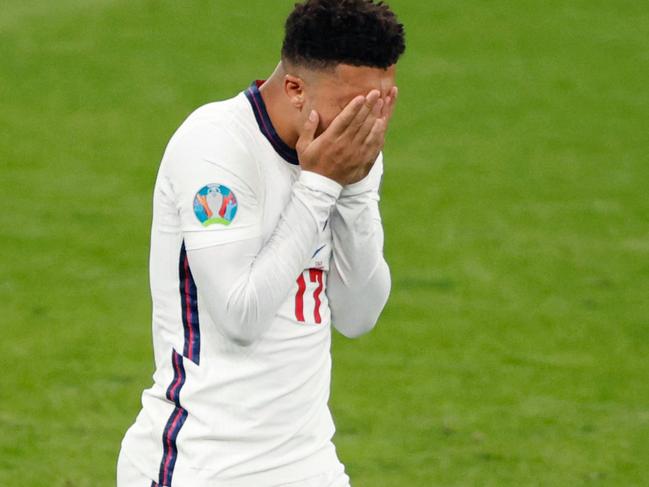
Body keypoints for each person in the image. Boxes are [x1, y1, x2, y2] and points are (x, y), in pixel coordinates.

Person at [117, 0, 406, 485]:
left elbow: (358, 317)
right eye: (353, 106)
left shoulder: (347, 157)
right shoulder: (215, 147)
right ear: (295, 88)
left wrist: (352, 191)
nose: (367, 124)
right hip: (202, 464)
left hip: (309, 464)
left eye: (380, 103)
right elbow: (241, 317)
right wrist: (319, 188)